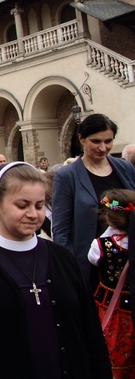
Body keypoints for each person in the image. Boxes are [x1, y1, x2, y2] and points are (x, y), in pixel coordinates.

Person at [0, 162, 112, 378]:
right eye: (22, 205)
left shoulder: (63, 259)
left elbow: (91, 333)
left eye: (39, 206)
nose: (33, 214)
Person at [53, 113, 135, 280]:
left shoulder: (125, 168)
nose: (103, 147)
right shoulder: (67, 176)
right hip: (89, 265)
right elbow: (61, 229)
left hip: (128, 260)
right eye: (96, 141)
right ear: (82, 139)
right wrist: (70, 267)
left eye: (108, 141)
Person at [88, 189, 135, 378]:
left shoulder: (99, 246)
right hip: (130, 310)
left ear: (108, 216)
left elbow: (92, 260)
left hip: (108, 308)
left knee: (112, 355)